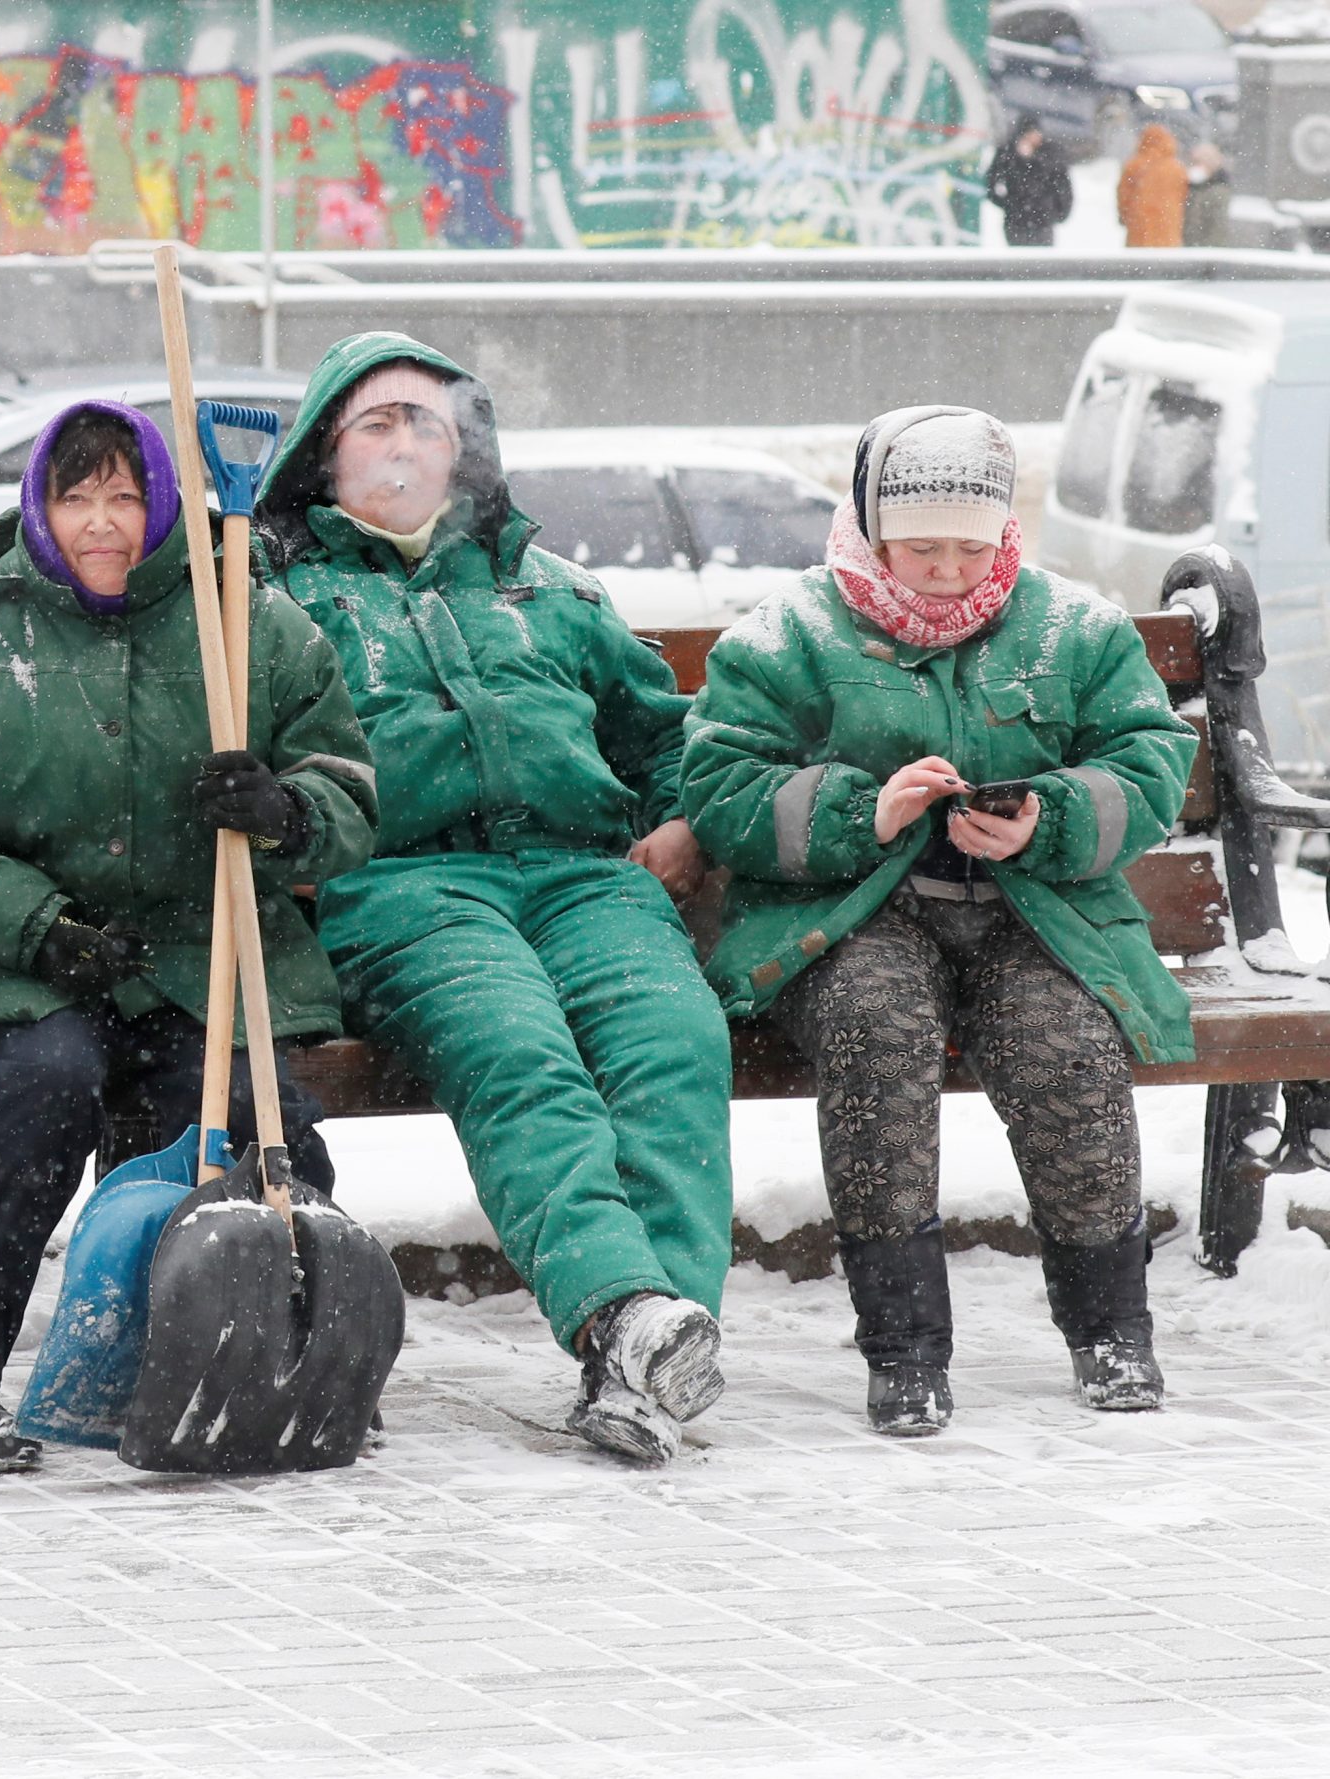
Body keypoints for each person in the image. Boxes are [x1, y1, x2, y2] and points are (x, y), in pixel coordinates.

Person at [0, 400, 377, 1472]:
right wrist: (36, 926)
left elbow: (348, 788)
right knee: (35, 1089)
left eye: (125, 497)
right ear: (38, 508)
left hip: (206, 957)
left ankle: (269, 1359)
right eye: (75, 497)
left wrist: (283, 813)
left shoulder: (246, 620)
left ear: (163, 506)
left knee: (241, 1120)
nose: (100, 522)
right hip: (19, 968)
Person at [258, 333, 733, 1467]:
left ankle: (653, 1361)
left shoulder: (546, 584)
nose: (406, 441)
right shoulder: (271, 598)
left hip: (582, 874)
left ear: (462, 451)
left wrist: (681, 824)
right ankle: (623, 1312)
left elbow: (666, 736)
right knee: (517, 1053)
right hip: (404, 884)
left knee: (674, 1039)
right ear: (324, 457)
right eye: (376, 421)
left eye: (428, 421)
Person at [681, 406, 1197, 1435]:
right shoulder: (787, 635)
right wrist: (860, 811)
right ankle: (904, 1349)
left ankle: (1111, 1328)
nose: (950, 570)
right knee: (876, 1035)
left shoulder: (1073, 630)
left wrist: (1046, 817)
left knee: (1067, 1050)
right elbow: (717, 781)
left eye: (973, 546)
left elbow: (1148, 759)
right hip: (848, 917)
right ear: (870, 531)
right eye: (921, 548)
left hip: (1032, 913)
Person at [986, 115, 1072, 248]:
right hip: (1017, 219)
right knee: (1019, 261)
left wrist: (1060, 211)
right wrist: (1007, 203)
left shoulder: (1050, 153)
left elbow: (1063, 185)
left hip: (1043, 218)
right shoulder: (1008, 153)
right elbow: (992, 181)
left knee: (1042, 262)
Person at [1118, 124, 1188, 249]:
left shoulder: (1134, 165)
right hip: (1168, 223)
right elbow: (1183, 196)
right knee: (1167, 262)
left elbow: (1124, 195)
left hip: (1139, 224)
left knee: (1138, 265)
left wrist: (1124, 216)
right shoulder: (1176, 168)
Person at [1184, 141, 1234, 249]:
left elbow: (1218, 228)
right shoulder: (1191, 187)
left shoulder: (1217, 191)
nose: (1195, 166)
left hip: (1206, 251)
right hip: (1191, 248)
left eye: (1198, 162)